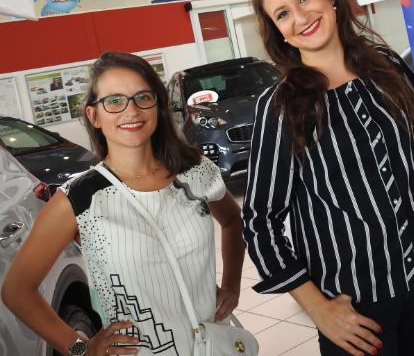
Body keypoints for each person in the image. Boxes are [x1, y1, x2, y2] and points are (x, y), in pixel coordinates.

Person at [243, 0, 414, 356]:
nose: (300, 17)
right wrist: (319, 310)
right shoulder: (282, 105)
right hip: (356, 306)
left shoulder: (386, 66)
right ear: (279, 33)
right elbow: (260, 221)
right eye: (283, 14)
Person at [1, 52, 245, 356]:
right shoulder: (79, 198)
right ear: (94, 116)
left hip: (213, 346)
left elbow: (233, 221)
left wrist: (232, 286)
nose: (131, 110)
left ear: (157, 105)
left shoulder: (194, 171)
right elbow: (17, 291)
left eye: (142, 97)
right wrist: (81, 349)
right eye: (114, 101)